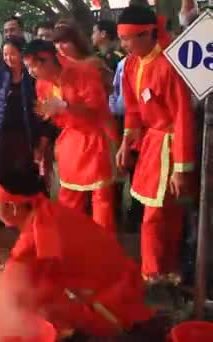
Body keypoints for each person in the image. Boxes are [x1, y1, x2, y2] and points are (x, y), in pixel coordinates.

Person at [0, 168, 156, 339]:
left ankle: (96, 328)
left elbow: (14, 290)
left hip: (113, 305)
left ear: (12, 207)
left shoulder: (34, 236)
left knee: (38, 302)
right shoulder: (48, 210)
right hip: (127, 287)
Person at [117, 5, 195, 284]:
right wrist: (126, 142)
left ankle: (154, 273)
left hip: (171, 145)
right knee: (160, 213)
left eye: (128, 39)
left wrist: (181, 168)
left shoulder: (169, 64)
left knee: (159, 215)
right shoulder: (129, 64)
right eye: (122, 38)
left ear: (148, 33)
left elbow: (183, 116)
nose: (124, 44)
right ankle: (164, 270)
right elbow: (133, 109)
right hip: (151, 143)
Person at [23, 40, 118, 234]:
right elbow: (55, 119)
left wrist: (65, 106)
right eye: (28, 67)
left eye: (33, 66)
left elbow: (96, 111)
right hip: (70, 142)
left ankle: (102, 249)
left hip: (96, 137)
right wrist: (52, 113)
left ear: (47, 60)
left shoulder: (83, 72)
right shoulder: (42, 84)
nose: (31, 72)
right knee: (68, 197)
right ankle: (69, 245)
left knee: (102, 201)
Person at [0, 37, 55, 213]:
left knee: (29, 174)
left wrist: (43, 137)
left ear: (22, 53)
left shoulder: (34, 76)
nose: (8, 58)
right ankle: (7, 211)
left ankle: (35, 212)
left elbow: (45, 110)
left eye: (12, 53)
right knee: (4, 174)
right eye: (5, 54)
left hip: (27, 134)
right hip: (3, 135)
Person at [53, 24, 114, 95]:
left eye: (64, 42)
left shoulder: (93, 63)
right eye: (56, 42)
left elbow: (110, 89)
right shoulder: (55, 63)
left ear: (76, 42)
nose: (59, 46)